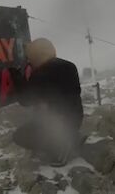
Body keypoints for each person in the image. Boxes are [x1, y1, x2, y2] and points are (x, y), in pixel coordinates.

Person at [9, 38, 84, 167]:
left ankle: (62, 147)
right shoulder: (69, 65)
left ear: (36, 55)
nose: (29, 61)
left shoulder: (41, 73)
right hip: (75, 118)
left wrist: (17, 78)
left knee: (19, 136)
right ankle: (70, 136)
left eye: (29, 57)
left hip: (58, 125)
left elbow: (25, 100)